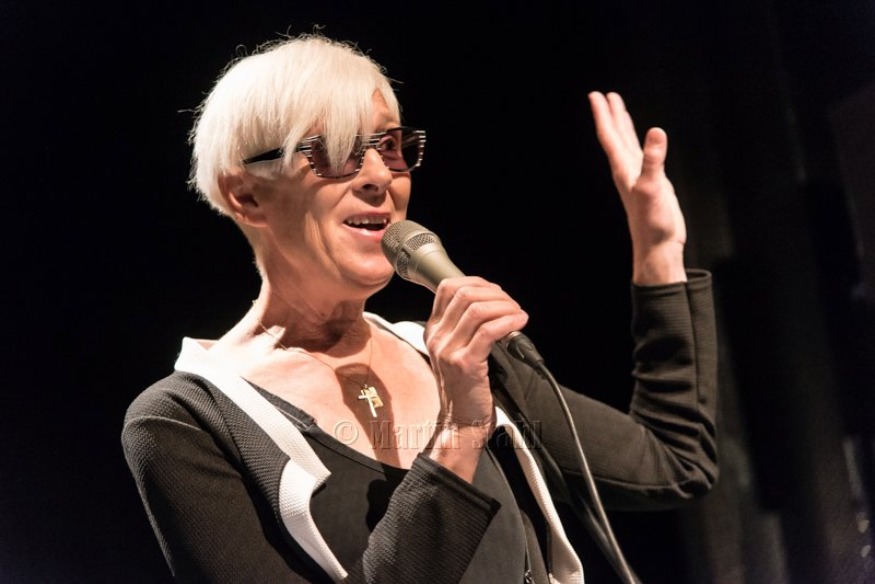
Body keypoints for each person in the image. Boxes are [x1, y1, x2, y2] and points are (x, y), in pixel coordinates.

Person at [121, 31, 718, 584]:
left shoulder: (454, 357)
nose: (380, 176)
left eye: (391, 147)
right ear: (247, 196)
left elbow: (674, 462)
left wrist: (659, 252)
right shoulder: (188, 421)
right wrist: (459, 432)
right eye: (338, 151)